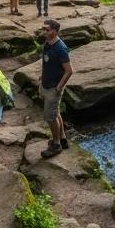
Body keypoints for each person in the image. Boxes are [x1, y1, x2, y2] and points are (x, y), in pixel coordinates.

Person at [39, 18, 73, 158]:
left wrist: (59, 87)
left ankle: (56, 144)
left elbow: (69, 70)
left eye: (47, 30)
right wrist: (42, 77)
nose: (45, 32)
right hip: (47, 84)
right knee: (55, 113)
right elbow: (46, 62)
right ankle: (62, 139)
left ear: (55, 31)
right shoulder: (47, 44)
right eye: (44, 29)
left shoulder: (60, 48)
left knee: (50, 117)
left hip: (54, 87)